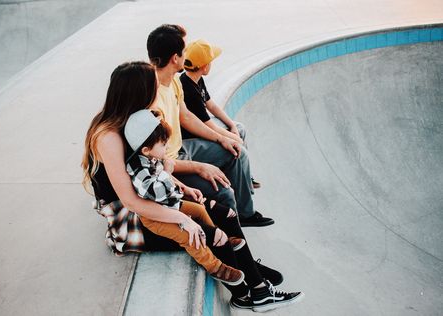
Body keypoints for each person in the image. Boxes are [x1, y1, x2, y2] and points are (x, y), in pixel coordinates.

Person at [81, 61, 303, 312]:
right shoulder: (108, 136)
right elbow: (131, 201)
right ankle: (245, 290)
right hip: (129, 218)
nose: (156, 93)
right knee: (209, 233)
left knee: (224, 214)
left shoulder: (134, 121)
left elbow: (150, 167)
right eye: (152, 88)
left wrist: (181, 187)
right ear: (139, 93)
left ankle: (257, 288)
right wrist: (181, 217)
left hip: (151, 202)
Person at [147, 24, 273, 227]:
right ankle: (232, 247)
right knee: (224, 192)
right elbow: (156, 162)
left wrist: (221, 138)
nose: (185, 56)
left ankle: (246, 214)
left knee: (236, 151)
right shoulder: (151, 98)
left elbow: (186, 117)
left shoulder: (174, 82)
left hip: (183, 149)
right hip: (170, 165)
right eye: (183, 52)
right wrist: (199, 167)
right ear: (175, 59)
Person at [124, 108, 246, 285]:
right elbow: (156, 193)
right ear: (146, 149)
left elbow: (168, 185)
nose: (167, 147)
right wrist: (167, 170)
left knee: (199, 209)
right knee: (187, 235)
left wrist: (184, 188)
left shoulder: (150, 158)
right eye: (163, 144)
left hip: (171, 205)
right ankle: (215, 267)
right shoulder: (138, 169)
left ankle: (217, 240)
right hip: (155, 217)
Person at [180, 39, 261, 192]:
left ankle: (245, 175)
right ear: (204, 67)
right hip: (196, 134)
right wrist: (232, 138)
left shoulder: (197, 79)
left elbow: (211, 105)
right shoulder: (188, 88)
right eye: (210, 62)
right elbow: (207, 125)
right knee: (237, 143)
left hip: (205, 125)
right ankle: (241, 183)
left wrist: (231, 125)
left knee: (239, 128)